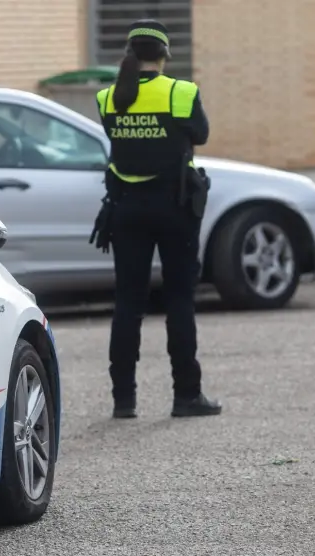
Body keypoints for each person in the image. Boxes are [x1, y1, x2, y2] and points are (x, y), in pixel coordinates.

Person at [92, 19, 222, 419]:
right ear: (164, 55)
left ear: (130, 53)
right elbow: (200, 134)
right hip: (174, 208)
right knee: (179, 300)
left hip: (126, 208)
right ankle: (186, 396)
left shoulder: (108, 98)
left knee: (127, 303)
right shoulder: (182, 92)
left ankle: (123, 400)